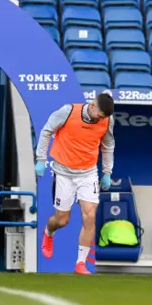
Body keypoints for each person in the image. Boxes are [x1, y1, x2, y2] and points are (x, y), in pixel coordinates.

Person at [35, 93, 115, 274]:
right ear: (93, 105)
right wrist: (41, 159)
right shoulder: (68, 111)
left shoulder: (107, 121)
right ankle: (48, 231)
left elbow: (108, 146)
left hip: (88, 174)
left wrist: (107, 173)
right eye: (100, 115)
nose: (100, 119)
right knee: (62, 220)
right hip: (64, 173)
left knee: (90, 216)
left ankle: (80, 263)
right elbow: (47, 131)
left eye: (104, 117)